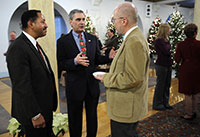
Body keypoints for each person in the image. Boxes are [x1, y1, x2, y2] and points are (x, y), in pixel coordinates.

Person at [57, 9, 116, 137]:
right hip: (74, 87)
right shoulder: (63, 41)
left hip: (91, 86)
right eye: (78, 20)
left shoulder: (92, 39)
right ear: (71, 22)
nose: (82, 22)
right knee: (75, 120)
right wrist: (74, 61)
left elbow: (96, 59)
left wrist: (108, 57)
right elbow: (60, 64)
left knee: (92, 118)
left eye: (83, 19)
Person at [94, 2, 150, 137]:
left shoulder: (134, 41)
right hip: (125, 105)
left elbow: (133, 78)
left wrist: (105, 77)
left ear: (124, 21)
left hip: (126, 108)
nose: (113, 23)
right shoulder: (132, 37)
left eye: (114, 19)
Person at [6, 10, 58, 137]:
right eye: (43, 22)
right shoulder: (18, 47)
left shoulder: (33, 44)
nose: (46, 25)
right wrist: (35, 114)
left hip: (44, 108)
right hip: (34, 114)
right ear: (31, 24)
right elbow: (22, 86)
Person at [174, 23, 200, 120]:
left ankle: (189, 114)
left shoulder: (181, 45)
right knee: (196, 92)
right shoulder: (199, 44)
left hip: (186, 69)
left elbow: (177, 59)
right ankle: (194, 111)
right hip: (197, 69)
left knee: (188, 93)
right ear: (195, 33)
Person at [152, 23, 173, 111]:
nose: (170, 31)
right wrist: (170, 48)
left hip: (168, 64)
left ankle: (165, 102)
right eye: (169, 29)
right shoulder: (159, 40)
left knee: (167, 84)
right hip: (161, 64)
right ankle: (157, 103)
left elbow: (168, 49)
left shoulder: (165, 40)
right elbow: (166, 51)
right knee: (160, 85)